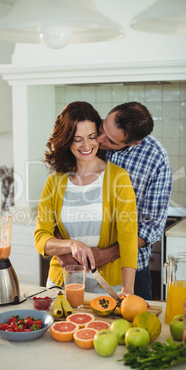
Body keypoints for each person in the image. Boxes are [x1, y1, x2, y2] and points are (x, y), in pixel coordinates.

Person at [55, 102, 172, 300]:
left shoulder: (155, 158)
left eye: (109, 140)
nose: (98, 140)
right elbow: (59, 205)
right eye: (101, 128)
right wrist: (62, 247)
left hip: (128, 273)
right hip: (73, 269)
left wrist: (110, 253)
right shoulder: (87, 138)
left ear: (133, 143)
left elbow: (151, 226)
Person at [34, 101, 138, 296]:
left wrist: (128, 291)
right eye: (78, 139)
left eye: (92, 137)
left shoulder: (118, 178)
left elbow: (128, 239)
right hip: (60, 287)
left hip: (107, 289)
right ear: (67, 140)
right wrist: (71, 245)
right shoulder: (55, 182)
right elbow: (41, 239)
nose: (87, 145)